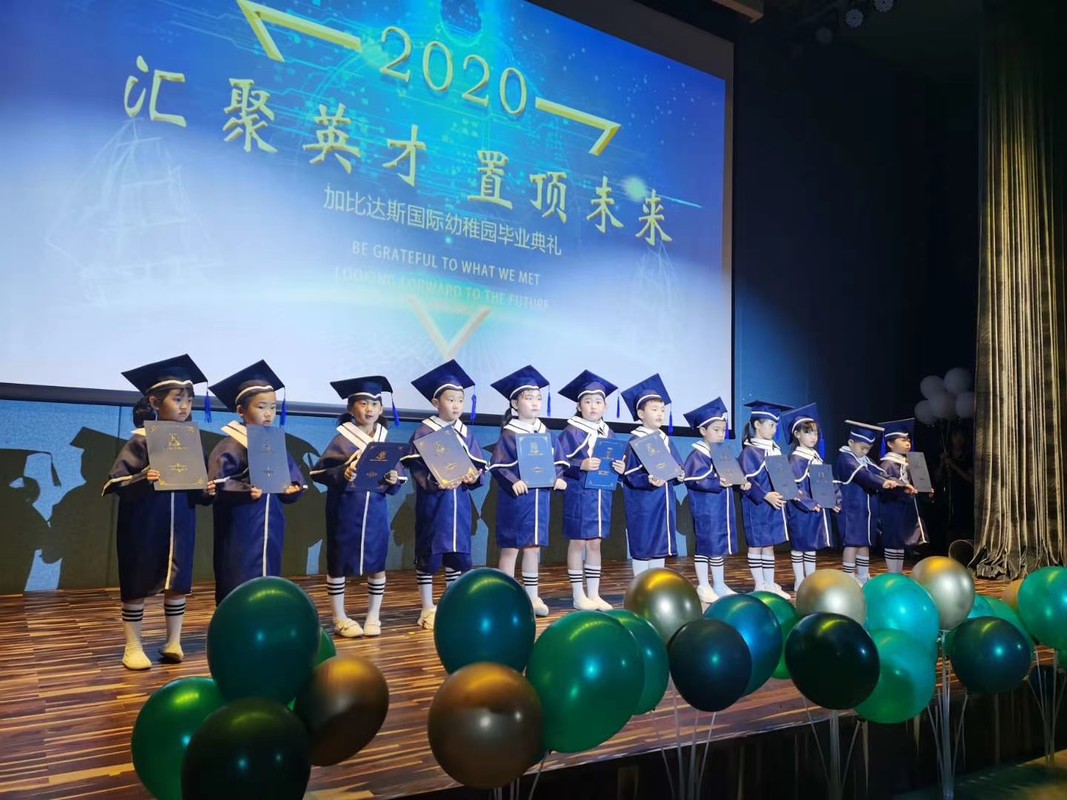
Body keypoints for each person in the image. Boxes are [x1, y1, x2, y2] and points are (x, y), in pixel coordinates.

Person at [102, 355, 214, 669]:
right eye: (177, 399)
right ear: (154, 401)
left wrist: (208, 490)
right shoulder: (140, 441)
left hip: (181, 525)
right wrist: (142, 477)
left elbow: (199, 488)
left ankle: (173, 641)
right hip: (144, 525)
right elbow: (115, 482)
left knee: (177, 583)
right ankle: (133, 646)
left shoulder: (191, 441)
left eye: (189, 400)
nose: (184, 406)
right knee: (137, 581)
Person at [310, 376, 407, 637]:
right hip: (345, 511)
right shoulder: (341, 440)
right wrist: (343, 472)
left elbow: (397, 477)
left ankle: (374, 615)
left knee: (377, 562)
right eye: (363, 403)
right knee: (339, 562)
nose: (369, 409)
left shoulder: (384, 440)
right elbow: (319, 473)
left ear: (381, 409)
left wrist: (393, 479)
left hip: (375, 511)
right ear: (351, 409)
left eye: (375, 404)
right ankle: (339, 616)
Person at [207, 361, 305, 605]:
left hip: (272, 521)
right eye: (261, 407)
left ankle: (265, 615)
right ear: (241, 410)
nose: (269, 413)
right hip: (241, 523)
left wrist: (293, 488)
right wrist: (244, 490)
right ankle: (234, 617)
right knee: (237, 573)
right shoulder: (231, 444)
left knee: (269, 571)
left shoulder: (275, 442)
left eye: (273, 407)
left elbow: (293, 476)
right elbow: (217, 483)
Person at [401, 360, 487, 630]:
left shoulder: (465, 432)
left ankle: (453, 604)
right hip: (435, 505)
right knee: (430, 555)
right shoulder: (425, 431)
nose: (457, 405)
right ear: (436, 402)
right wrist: (434, 482)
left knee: (456, 555)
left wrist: (474, 476)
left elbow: (477, 466)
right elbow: (416, 468)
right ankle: (427, 607)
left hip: (459, 504)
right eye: (451, 400)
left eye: (460, 400)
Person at [488, 365, 567, 617]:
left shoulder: (546, 433)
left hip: (540, 499)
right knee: (511, 547)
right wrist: (512, 480)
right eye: (528, 398)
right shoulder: (510, 433)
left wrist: (558, 478)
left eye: (538, 398)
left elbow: (558, 462)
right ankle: (505, 597)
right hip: (517, 501)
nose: (534, 403)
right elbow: (498, 465)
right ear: (515, 403)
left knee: (533, 547)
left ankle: (532, 596)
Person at [556, 369, 625, 610]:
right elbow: (558, 463)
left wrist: (620, 467)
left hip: (602, 495)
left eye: (598, 401)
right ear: (579, 405)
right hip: (579, 494)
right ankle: (578, 594)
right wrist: (580, 465)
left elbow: (613, 461)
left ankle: (594, 594)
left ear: (605, 406)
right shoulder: (571, 431)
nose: (593, 406)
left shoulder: (609, 433)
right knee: (578, 542)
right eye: (587, 401)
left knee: (595, 543)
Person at [682, 397, 751, 603]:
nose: (721, 434)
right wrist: (716, 482)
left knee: (718, 545)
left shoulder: (722, 454)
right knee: (706, 545)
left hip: (722, 507)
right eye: (716, 430)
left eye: (723, 430)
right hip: (707, 508)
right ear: (703, 431)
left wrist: (741, 483)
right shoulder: (698, 455)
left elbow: (732, 475)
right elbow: (693, 479)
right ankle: (703, 585)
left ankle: (719, 583)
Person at [620, 374, 683, 576]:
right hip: (644, 502)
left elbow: (676, 466)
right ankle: (640, 586)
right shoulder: (636, 441)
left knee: (660, 542)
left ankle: (656, 586)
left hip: (663, 500)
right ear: (641, 413)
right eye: (654, 409)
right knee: (644, 542)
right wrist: (647, 480)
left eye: (662, 410)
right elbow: (629, 475)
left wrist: (680, 475)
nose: (660, 414)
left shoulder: (665, 439)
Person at [778, 403, 838, 590]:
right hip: (801, 510)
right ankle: (799, 580)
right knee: (800, 545)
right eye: (808, 432)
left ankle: (810, 580)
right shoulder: (796, 459)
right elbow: (793, 488)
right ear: (797, 434)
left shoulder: (815, 457)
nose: (813, 437)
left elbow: (828, 482)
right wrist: (809, 503)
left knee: (811, 546)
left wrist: (835, 501)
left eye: (815, 433)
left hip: (816, 509)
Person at [834, 420, 899, 584]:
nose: (864, 452)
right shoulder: (845, 458)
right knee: (852, 543)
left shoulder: (866, 460)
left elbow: (880, 472)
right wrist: (882, 483)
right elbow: (863, 475)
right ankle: (849, 577)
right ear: (851, 442)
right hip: (851, 509)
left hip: (866, 510)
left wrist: (900, 484)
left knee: (864, 543)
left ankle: (863, 575)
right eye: (862, 448)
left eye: (868, 449)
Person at [740, 400, 793, 599]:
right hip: (757, 505)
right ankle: (759, 584)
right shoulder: (750, 451)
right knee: (757, 544)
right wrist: (765, 495)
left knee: (769, 544)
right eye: (770, 425)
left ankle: (770, 583)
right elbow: (746, 481)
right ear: (757, 425)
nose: (774, 429)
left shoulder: (774, 450)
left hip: (774, 505)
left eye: (775, 425)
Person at [878, 418, 929, 573]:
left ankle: (898, 573)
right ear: (890, 444)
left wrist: (925, 490)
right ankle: (893, 572)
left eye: (908, 440)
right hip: (893, 508)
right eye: (903, 440)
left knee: (900, 542)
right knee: (893, 540)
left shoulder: (908, 462)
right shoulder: (887, 464)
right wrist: (903, 489)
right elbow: (887, 486)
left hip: (905, 507)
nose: (907, 443)